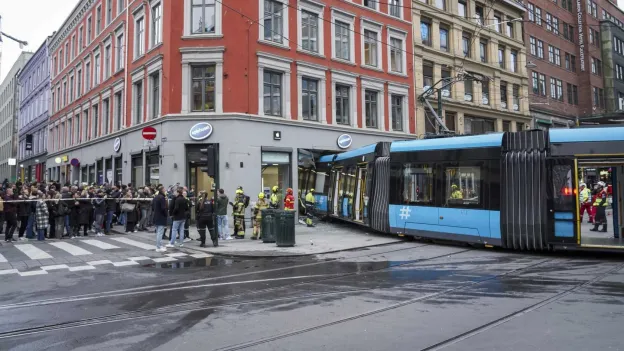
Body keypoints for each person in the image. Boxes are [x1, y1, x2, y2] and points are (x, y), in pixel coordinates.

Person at [152, 186, 169, 252]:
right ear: (162, 190)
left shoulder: (156, 197)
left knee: (158, 232)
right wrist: (166, 214)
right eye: (164, 189)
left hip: (156, 216)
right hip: (161, 216)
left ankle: (159, 245)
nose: (165, 190)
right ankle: (158, 247)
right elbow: (163, 208)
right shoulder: (162, 198)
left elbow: (152, 206)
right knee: (160, 232)